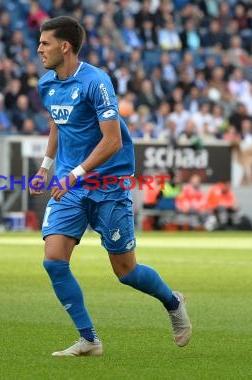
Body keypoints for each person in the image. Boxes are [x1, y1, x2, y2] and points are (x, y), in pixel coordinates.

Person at [30, 16, 191, 357]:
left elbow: (113, 141)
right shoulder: (47, 83)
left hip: (108, 186)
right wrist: (46, 166)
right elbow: (58, 123)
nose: (39, 49)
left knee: (126, 271)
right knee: (54, 261)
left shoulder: (96, 82)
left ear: (65, 46)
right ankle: (89, 340)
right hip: (70, 188)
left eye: (45, 43)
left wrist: (72, 173)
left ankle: (172, 300)